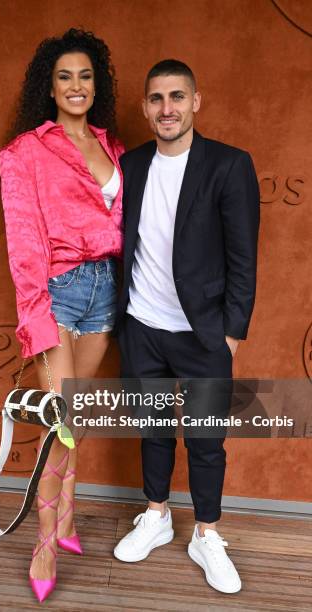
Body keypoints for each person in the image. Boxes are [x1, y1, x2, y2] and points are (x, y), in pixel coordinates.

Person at [113, 59, 260, 594]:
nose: (167, 108)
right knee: (152, 430)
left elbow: (244, 256)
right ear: (145, 107)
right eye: (156, 99)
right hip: (141, 328)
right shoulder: (130, 165)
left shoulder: (228, 165)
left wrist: (232, 332)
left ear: (196, 101)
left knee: (205, 440)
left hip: (203, 335)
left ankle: (206, 532)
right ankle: (156, 515)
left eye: (177, 97)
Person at [0, 28, 124, 602]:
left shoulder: (113, 146)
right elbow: (23, 244)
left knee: (75, 420)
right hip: (59, 290)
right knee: (60, 427)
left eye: (85, 75)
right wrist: (37, 315)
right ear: (48, 88)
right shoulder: (25, 152)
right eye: (64, 77)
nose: (77, 86)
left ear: (97, 84)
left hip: (108, 292)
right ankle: (45, 543)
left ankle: (68, 520)